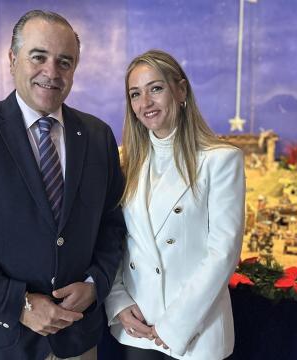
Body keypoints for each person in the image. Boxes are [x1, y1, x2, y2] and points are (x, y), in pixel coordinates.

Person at [0, 10, 126, 360]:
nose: (51, 72)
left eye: (65, 62)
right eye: (39, 57)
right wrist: (18, 304)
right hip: (0, 341)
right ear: (12, 59)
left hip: (77, 340)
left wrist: (96, 283)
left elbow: (112, 226)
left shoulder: (98, 136)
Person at [104, 50, 246, 359]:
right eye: (135, 94)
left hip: (198, 331)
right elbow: (114, 239)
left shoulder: (220, 160)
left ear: (180, 90)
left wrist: (175, 325)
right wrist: (118, 302)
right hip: (138, 328)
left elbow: (223, 253)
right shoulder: (126, 163)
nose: (145, 103)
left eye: (156, 88)